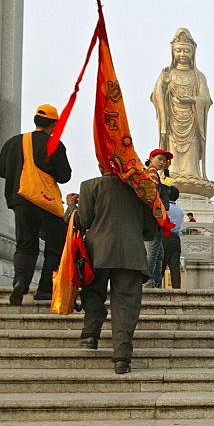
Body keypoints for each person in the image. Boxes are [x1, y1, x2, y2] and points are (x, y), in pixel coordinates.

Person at [72, 168, 158, 374]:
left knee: (93, 293)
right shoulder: (142, 188)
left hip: (98, 251)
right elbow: (150, 230)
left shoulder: (90, 185)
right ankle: (122, 356)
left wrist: (70, 207)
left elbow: (82, 222)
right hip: (132, 254)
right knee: (126, 304)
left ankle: (90, 334)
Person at [0, 104, 71, 305]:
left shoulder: (13, 143)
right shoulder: (54, 144)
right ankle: (45, 289)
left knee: (25, 244)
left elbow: (1, 169)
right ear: (53, 124)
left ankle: (20, 281)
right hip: (46, 201)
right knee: (54, 246)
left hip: (21, 200)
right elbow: (64, 176)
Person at [150, 28, 212, 180]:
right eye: (179, 51)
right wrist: (164, 86)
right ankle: (169, 175)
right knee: (172, 152)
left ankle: (192, 174)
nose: (182, 55)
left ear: (193, 53)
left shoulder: (198, 77)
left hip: (192, 120)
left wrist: (193, 100)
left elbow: (206, 99)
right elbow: (155, 96)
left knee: (191, 150)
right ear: (173, 52)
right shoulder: (167, 73)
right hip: (172, 121)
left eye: (186, 51)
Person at [143, 149, 172, 288]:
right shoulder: (151, 174)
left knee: (159, 253)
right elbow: (154, 194)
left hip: (156, 217)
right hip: (154, 218)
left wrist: (166, 171)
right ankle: (148, 281)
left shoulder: (155, 174)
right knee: (153, 252)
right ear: (151, 158)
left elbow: (167, 187)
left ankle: (155, 281)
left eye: (164, 160)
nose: (162, 162)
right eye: (159, 159)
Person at [162, 186, 184, 289]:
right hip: (176, 238)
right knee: (175, 267)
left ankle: (157, 287)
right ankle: (177, 289)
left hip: (165, 237)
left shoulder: (164, 208)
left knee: (161, 264)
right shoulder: (180, 210)